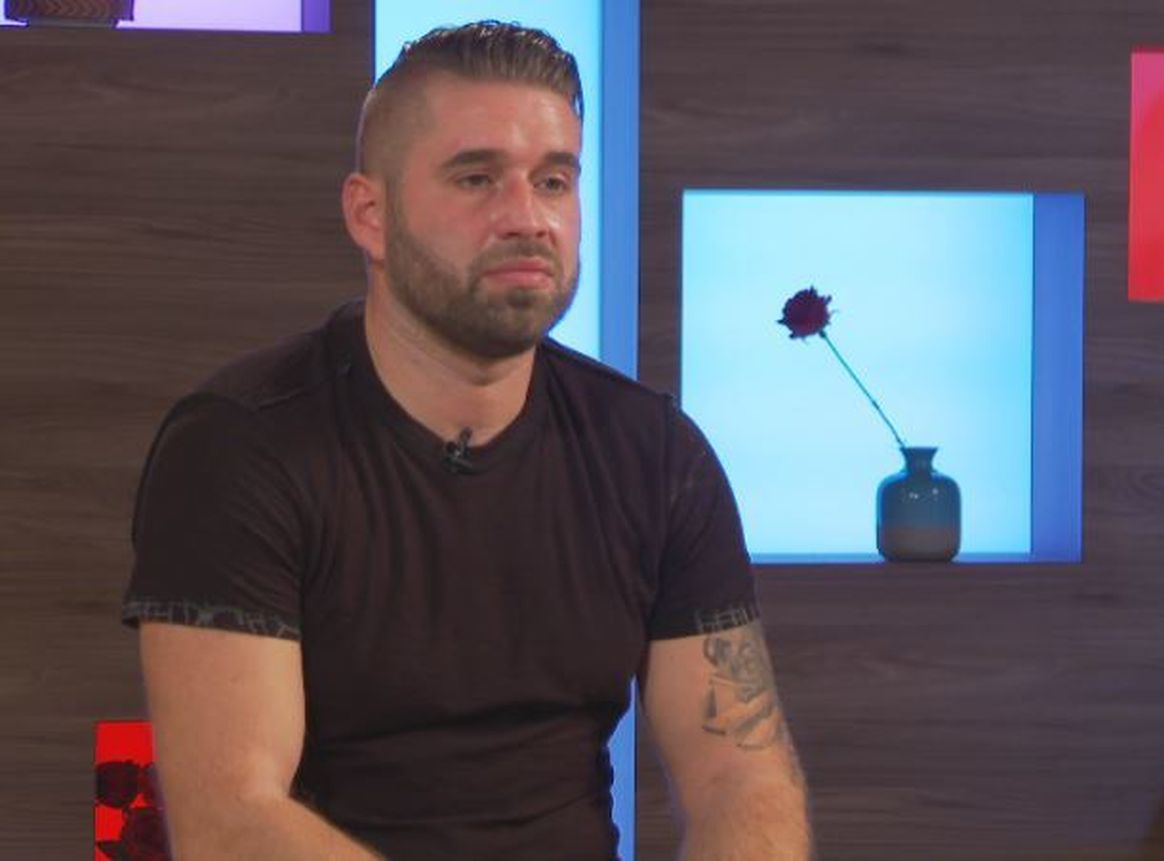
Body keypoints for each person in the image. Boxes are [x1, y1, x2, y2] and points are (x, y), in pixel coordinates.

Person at [122, 21, 811, 860]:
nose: (527, 218)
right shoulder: (239, 446)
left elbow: (742, 777)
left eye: (553, 180)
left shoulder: (656, 454)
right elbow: (231, 818)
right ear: (370, 215)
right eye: (477, 178)